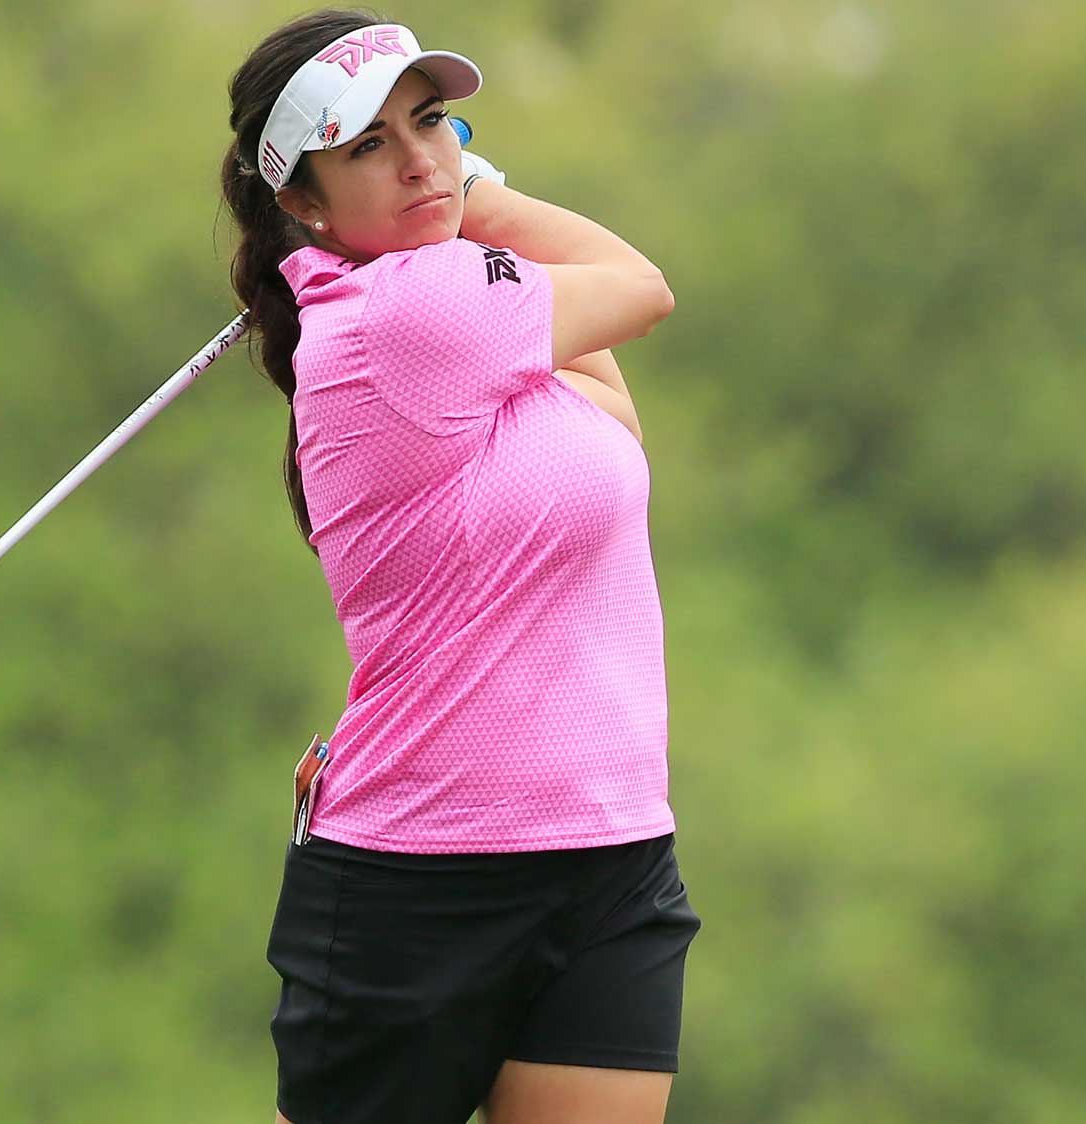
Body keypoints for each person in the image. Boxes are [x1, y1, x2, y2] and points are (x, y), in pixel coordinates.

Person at [220, 11, 697, 1124]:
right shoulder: (412, 312)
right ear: (300, 199)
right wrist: (475, 195)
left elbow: (607, 406)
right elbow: (636, 284)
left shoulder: (470, 319)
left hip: (607, 847)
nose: (418, 158)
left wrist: (438, 203)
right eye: (368, 145)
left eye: (430, 123)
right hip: (424, 876)